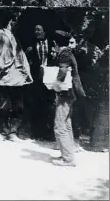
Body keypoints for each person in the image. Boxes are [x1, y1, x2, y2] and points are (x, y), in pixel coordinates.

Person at [0, 13, 33, 143]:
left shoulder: (12, 36)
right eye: (12, 21)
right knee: (4, 106)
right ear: (8, 22)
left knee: (18, 105)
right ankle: (2, 132)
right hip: (4, 76)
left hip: (17, 76)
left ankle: (13, 132)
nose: (13, 24)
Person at [51, 30, 86, 167]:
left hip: (66, 94)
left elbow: (63, 70)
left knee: (60, 125)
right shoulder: (68, 52)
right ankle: (67, 153)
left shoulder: (64, 54)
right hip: (71, 93)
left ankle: (68, 159)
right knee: (66, 123)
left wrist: (56, 85)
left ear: (55, 43)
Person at [24, 24, 56, 140]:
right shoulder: (32, 44)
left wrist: (54, 55)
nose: (36, 32)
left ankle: (49, 132)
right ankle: (36, 132)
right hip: (37, 77)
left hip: (49, 77)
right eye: (35, 30)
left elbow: (56, 59)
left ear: (44, 31)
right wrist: (27, 53)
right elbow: (26, 59)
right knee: (36, 104)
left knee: (49, 104)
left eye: (38, 30)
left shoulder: (52, 43)